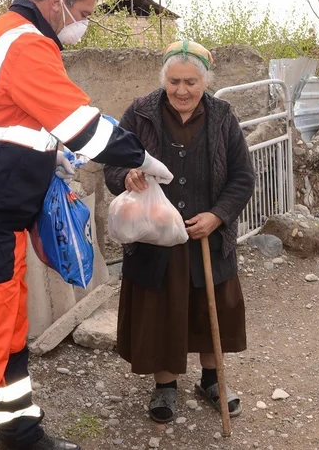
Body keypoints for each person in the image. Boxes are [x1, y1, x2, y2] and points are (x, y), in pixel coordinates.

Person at [0, 0, 173, 450]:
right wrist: (142, 157)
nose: (83, 22)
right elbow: (83, 124)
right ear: (55, 0)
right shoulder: (26, 45)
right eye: (83, 10)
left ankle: (21, 434)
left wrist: (49, 153)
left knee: (9, 337)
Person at [104, 39, 255, 424]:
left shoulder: (223, 116)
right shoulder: (140, 113)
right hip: (154, 236)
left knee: (211, 309)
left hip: (207, 236)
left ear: (205, 81)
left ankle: (211, 380)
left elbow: (242, 177)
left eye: (190, 81)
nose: (182, 90)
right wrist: (127, 176)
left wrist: (218, 216)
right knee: (160, 312)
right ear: (163, 80)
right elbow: (112, 167)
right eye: (174, 81)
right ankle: (165, 386)